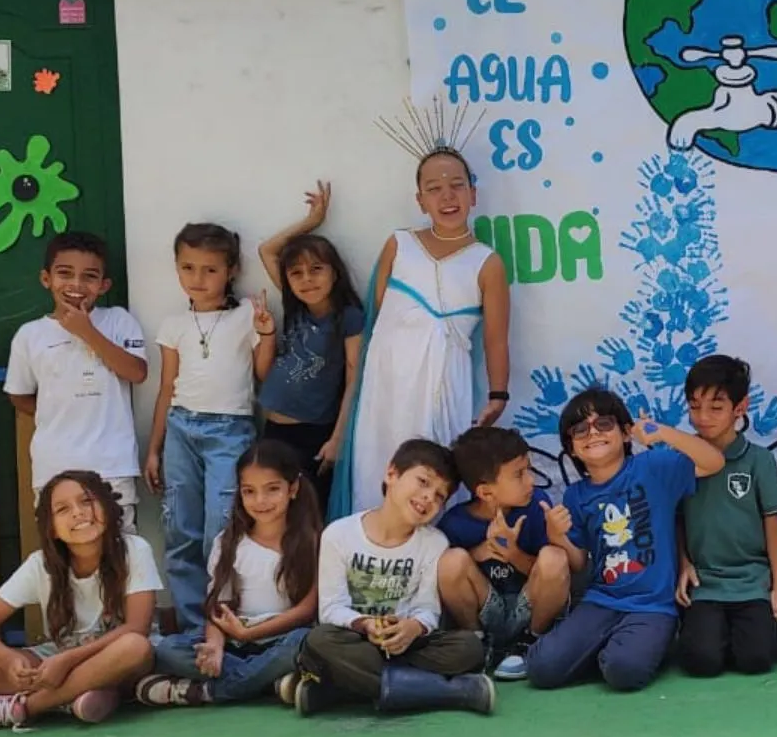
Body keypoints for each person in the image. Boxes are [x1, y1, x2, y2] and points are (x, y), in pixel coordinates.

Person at [336, 145, 511, 516]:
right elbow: (378, 318)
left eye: (457, 185)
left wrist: (498, 395)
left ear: (473, 194)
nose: (447, 196)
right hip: (387, 386)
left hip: (444, 383)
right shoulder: (399, 245)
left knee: (435, 471)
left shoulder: (487, 262)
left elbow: (496, 338)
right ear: (420, 200)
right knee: (380, 466)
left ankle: (433, 566)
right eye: (434, 188)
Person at [524, 388, 724, 691]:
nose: (593, 433)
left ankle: (623, 649)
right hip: (601, 600)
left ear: (626, 433)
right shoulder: (575, 495)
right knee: (541, 669)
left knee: (624, 672)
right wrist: (557, 536)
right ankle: (604, 646)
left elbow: (713, 462)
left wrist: (662, 433)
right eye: (580, 429)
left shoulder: (653, 467)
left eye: (603, 423)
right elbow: (578, 562)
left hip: (653, 606)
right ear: (572, 449)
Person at [0, 471, 159, 730]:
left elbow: (137, 628)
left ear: (107, 508)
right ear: (51, 528)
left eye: (86, 502)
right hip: (55, 660)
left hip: (113, 660)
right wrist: (8, 661)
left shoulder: (134, 549)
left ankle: (25, 707)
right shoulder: (40, 565)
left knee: (135, 647)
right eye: (63, 509)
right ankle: (73, 697)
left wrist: (67, 662)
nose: (78, 513)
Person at [295, 438, 493, 716]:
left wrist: (413, 627)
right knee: (319, 641)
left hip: (407, 645)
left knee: (468, 647)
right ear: (391, 474)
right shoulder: (339, 534)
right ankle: (450, 691)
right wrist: (365, 625)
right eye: (423, 482)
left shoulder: (434, 542)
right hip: (357, 641)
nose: (428, 497)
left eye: (439, 496)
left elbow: (427, 609)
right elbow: (330, 609)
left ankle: (343, 688)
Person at [145, 222, 267, 630]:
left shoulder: (247, 314)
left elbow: (262, 372)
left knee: (220, 526)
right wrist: (155, 447)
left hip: (230, 430)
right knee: (180, 526)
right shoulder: (173, 325)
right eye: (188, 268)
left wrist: (266, 332)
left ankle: (223, 620)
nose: (198, 279)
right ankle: (192, 623)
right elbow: (166, 388)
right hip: (181, 429)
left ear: (231, 270)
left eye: (210, 269)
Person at [135, 440, 319, 706]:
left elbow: (307, 610)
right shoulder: (229, 541)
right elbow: (218, 607)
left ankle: (205, 691)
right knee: (167, 649)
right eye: (249, 491)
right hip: (235, 643)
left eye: (272, 490)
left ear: (293, 488)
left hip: (282, 640)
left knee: (305, 642)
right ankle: (269, 683)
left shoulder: (313, 541)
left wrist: (252, 634)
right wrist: (215, 647)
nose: (260, 501)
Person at [5, 232, 148, 533]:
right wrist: (57, 411)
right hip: (54, 467)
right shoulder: (30, 335)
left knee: (120, 550)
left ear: (104, 285)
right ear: (46, 278)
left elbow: (136, 372)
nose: (76, 285)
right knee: (62, 555)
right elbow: (19, 395)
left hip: (112, 465)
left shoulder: (118, 321)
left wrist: (87, 332)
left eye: (89, 277)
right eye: (65, 274)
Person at [437, 426, 577, 681]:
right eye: (519, 475)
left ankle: (529, 642)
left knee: (554, 557)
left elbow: (554, 572)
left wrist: (512, 554)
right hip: (487, 608)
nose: (530, 481)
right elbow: (449, 581)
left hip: (530, 607)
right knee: (451, 561)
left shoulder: (536, 505)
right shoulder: (456, 522)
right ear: (485, 492)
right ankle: (476, 645)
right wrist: (478, 553)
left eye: (528, 470)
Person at [257, 181, 365, 510]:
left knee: (309, 515)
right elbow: (267, 250)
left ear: (335, 273)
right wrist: (310, 221)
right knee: (274, 514)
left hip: (313, 436)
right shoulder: (295, 308)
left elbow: (353, 381)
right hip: (272, 430)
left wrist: (337, 439)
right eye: (297, 273)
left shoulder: (348, 318)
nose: (307, 279)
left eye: (317, 269)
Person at [678, 355, 777, 676]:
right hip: (705, 582)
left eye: (716, 406)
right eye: (695, 406)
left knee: (757, 660)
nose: (703, 417)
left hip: (751, 581)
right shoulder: (681, 458)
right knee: (701, 662)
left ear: (740, 408)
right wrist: (684, 562)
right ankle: (711, 632)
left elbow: (773, 522)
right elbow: (675, 518)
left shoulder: (759, 460)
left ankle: (737, 632)